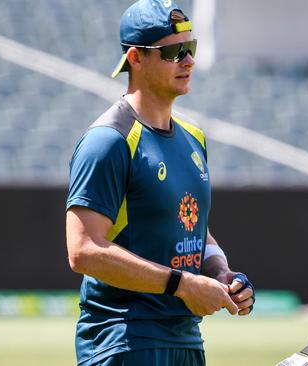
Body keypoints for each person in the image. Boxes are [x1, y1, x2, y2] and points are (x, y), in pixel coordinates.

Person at [65, 1, 255, 365]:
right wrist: (182, 284)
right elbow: (83, 249)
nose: (188, 61)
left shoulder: (193, 136)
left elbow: (194, 226)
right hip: (124, 342)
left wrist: (220, 272)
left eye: (191, 48)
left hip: (186, 341)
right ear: (135, 58)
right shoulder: (108, 140)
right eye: (172, 52)